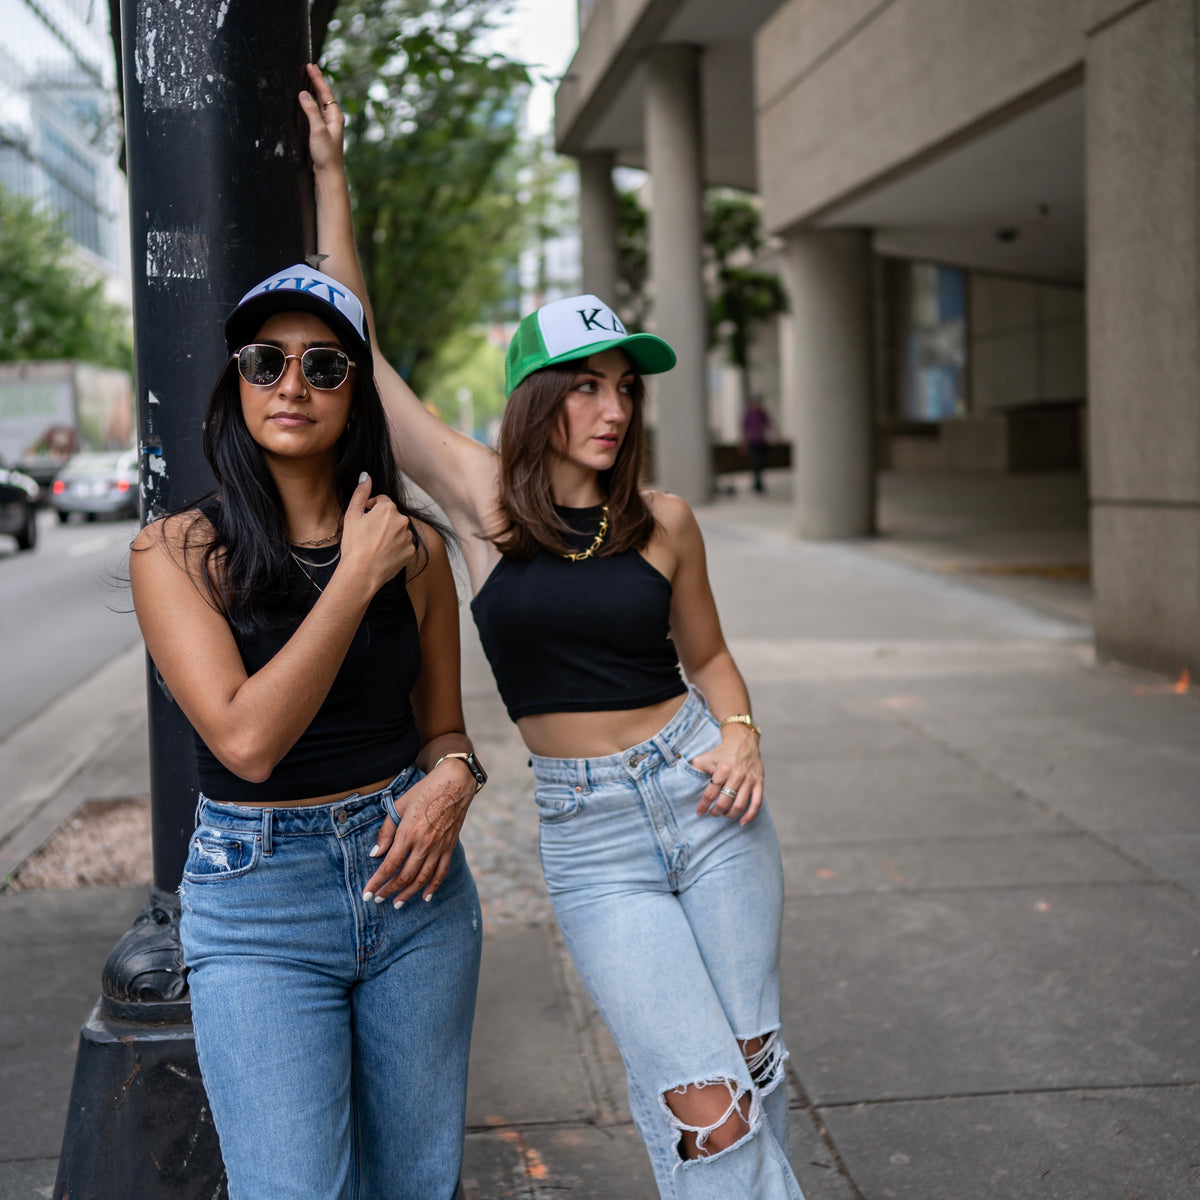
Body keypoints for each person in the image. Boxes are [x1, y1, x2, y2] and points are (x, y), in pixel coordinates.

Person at [303, 64, 804, 1200]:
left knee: (750, 1076)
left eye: (625, 387)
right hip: (595, 844)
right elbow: (362, 352)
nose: (614, 410)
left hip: (709, 801)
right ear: (538, 398)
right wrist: (334, 176)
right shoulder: (486, 508)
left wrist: (742, 732)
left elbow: (712, 658)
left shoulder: (666, 521)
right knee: (711, 1111)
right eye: (585, 387)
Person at [129, 261, 487, 1200]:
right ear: (237, 382)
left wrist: (454, 778)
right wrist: (351, 579)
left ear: (356, 392)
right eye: (264, 362)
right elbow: (246, 743)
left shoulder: (415, 553)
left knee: (415, 1185)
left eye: (324, 366)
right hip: (258, 908)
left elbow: (443, 730)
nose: (292, 385)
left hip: (414, 887)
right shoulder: (177, 552)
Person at [743, 393, 772, 493]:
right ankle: (756, 482)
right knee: (756, 462)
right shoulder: (749, 414)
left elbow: (768, 424)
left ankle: (759, 482)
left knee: (761, 462)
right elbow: (744, 428)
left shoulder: (762, 413)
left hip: (762, 441)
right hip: (753, 441)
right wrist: (744, 442)